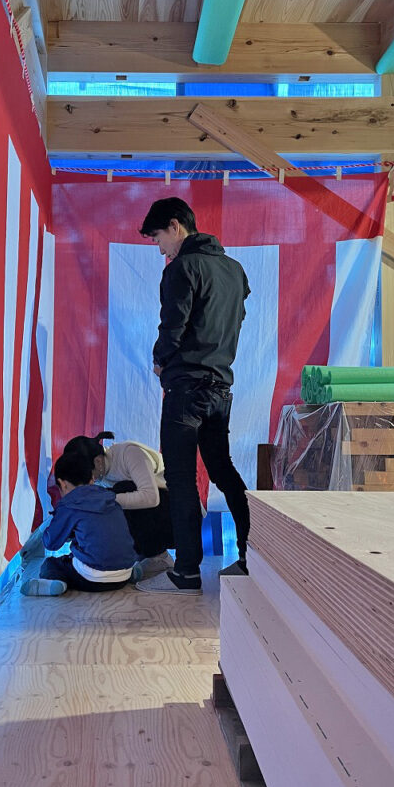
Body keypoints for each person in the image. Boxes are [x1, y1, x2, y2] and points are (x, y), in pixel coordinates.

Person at [136, 196, 251, 595]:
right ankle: (250, 554)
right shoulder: (234, 270)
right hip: (221, 388)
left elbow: (173, 326)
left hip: (186, 389)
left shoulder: (182, 267)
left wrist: (159, 360)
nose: (160, 249)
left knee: (181, 478)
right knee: (224, 471)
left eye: (158, 238)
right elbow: (233, 322)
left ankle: (186, 570)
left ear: (175, 226)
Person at [20, 450, 139, 596]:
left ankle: (56, 583)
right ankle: (131, 573)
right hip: (124, 572)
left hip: (92, 578)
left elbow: (51, 543)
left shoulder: (70, 504)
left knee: (51, 564)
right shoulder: (109, 497)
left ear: (62, 484)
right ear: (92, 479)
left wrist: (50, 528)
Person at [62, 431, 174, 572]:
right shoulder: (99, 475)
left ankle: (159, 557)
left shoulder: (129, 454)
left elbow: (151, 497)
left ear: (98, 461)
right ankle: (136, 556)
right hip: (152, 518)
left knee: (120, 490)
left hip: (176, 517)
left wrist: (106, 499)